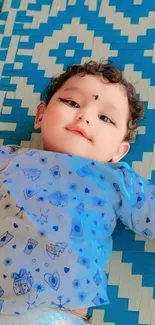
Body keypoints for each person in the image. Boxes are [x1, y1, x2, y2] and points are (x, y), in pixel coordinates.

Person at [0, 60, 155, 325]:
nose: (84, 116)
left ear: (119, 151)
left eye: (105, 118)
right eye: (72, 103)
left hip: (55, 314)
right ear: (41, 115)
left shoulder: (117, 179)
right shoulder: (8, 158)